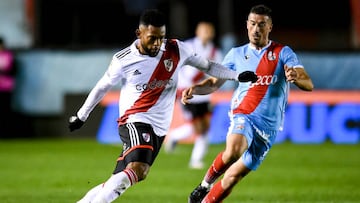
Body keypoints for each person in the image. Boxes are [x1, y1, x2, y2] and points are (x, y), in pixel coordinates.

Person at [68, 9, 257, 203]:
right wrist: (82, 115)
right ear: (138, 34)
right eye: (152, 38)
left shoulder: (176, 49)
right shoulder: (123, 60)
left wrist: (236, 76)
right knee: (139, 169)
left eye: (161, 38)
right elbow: (102, 87)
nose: (157, 44)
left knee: (120, 178)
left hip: (159, 128)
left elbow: (208, 66)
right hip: (135, 120)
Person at [186, 4, 314, 203]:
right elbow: (214, 83)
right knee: (234, 150)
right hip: (243, 113)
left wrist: (296, 77)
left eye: (262, 24)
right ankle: (204, 185)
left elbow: (308, 83)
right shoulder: (237, 54)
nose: (256, 29)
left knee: (232, 178)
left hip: (269, 127)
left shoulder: (283, 52)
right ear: (247, 25)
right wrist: (195, 89)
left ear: (270, 27)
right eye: (253, 24)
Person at [164, 21, 223, 169]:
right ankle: (194, 159)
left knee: (204, 127)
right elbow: (185, 72)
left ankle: (180, 142)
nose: (207, 33)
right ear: (197, 32)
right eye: (204, 30)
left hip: (204, 94)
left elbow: (219, 72)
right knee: (197, 127)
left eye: (209, 31)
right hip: (187, 92)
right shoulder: (187, 46)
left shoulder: (215, 51)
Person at [0, 37, 16, 136]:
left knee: (5, 111)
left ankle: (6, 133)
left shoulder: (9, 56)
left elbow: (14, 71)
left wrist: (4, 72)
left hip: (6, 88)